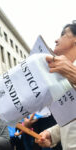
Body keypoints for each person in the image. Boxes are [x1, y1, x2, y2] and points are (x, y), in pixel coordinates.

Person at [35, 22, 76, 150]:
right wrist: (52, 134)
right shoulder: (63, 78)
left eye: (63, 34)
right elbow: (72, 120)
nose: (56, 40)